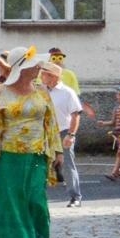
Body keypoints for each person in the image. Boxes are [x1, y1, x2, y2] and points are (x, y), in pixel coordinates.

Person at [0, 47, 61, 238]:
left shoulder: (42, 91)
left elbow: (51, 122)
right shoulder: (0, 92)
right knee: (12, 201)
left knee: (36, 199)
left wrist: (58, 150)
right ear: (21, 69)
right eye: (33, 66)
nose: (37, 68)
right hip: (7, 155)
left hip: (36, 154)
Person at [40, 61, 84, 207]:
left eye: (43, 74)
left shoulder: (67, 92)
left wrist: (71, 135)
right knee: (40, 164)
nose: (41, 76)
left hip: (63, 131)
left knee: (67, 164)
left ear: (52, 76)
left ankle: (75, 197)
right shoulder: (40, 91)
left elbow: (76, 114)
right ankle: (39, 196)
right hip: (45, 132)